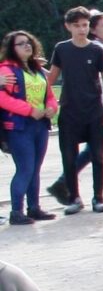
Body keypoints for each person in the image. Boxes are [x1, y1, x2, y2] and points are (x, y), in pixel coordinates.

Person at [45, 8, 103, 214]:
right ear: (68, 27)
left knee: (98, 156)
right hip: (69, 110)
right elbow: (51, 78)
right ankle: (74, 198)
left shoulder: (97, 50)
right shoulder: (61, 49)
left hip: (94, 110)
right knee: (68, 157)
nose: (81, 29)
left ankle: (98, 198)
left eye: (84, 25)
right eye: (76, 25)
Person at [1, 31, 55, 223]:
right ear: (11, 49)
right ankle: (16, 212)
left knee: (35, 168)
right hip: (19, 126)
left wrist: (51, 108)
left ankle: (34, 208)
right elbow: (2, 98)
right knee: (25, 168)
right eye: (21, 44)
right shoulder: (6, 70)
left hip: (40, 124)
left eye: (29, 43)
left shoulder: (37, 69)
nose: (27, 46)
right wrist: (29, 110)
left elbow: (48, 95)